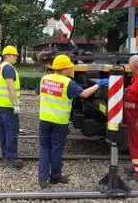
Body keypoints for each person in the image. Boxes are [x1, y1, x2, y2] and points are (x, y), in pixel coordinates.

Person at [36, 54, 109, 189]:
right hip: (60, 122)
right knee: (57, 150)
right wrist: (99, 84)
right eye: (68, 67)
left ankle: (42, 179)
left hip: (44, 120)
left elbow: (39, 95)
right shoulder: (67, 82)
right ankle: (55, 177)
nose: (70, 69)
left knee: (45, 149)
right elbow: (84, 94)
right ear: (64, 69)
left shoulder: (44, 79)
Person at [0, 45, 23, 169]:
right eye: (15, 55)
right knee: (11, 131)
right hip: (8, 105)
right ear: (8, 55)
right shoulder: (9, 69)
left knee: (4, 130)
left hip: (0, 104)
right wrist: (15, 104)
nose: (16, 57)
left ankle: (5, 155)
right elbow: (11, 87)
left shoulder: (0, 67)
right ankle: (11, 157)